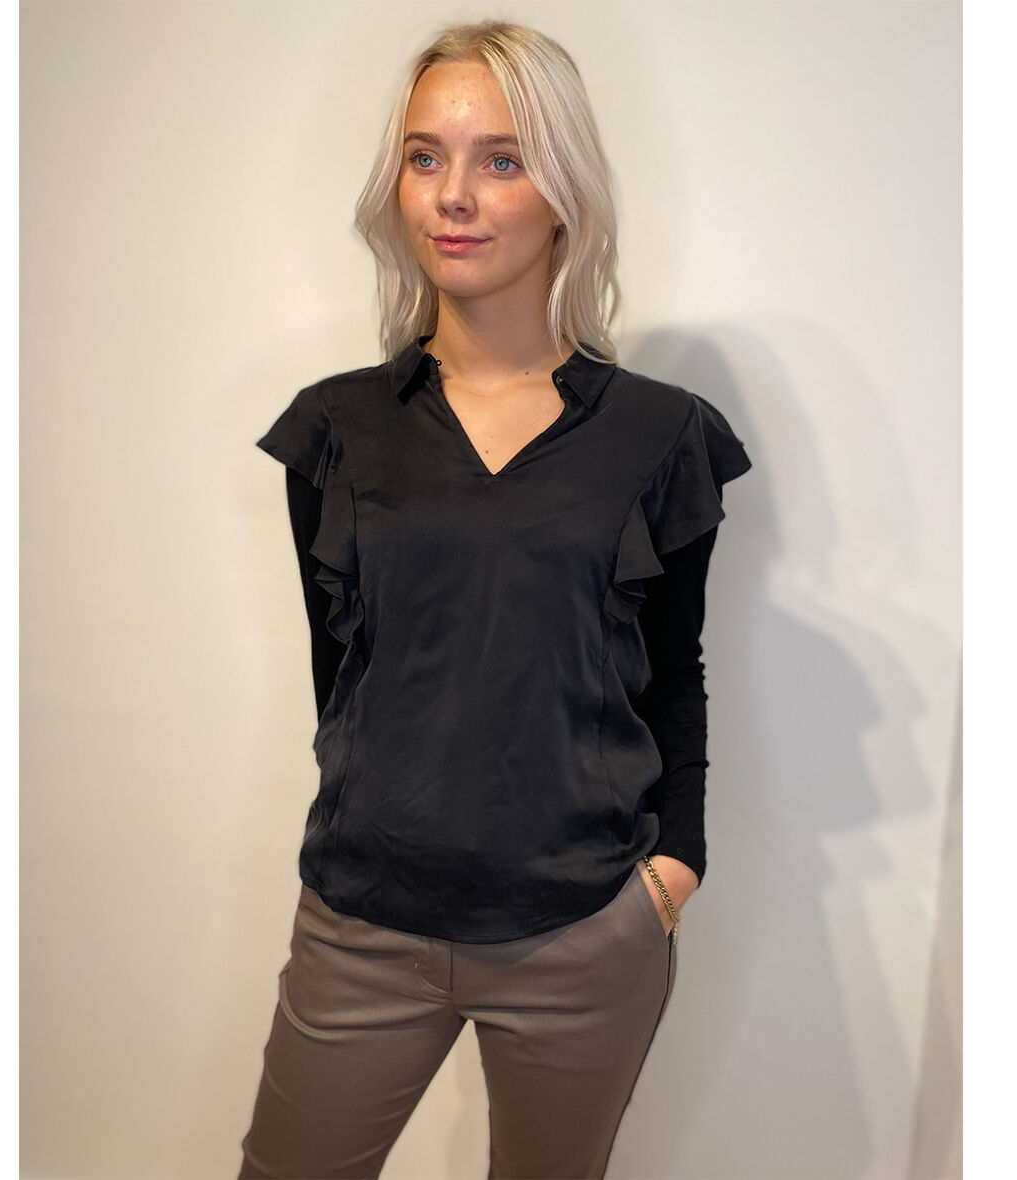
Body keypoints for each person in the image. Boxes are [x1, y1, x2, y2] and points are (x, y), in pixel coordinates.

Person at [238, 19, 751, 1180]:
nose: (453, 195)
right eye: (424, 157)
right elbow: (343, 674)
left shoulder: (659, 435)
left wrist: (672, 865)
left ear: (563, 191)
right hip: (362, 922)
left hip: (583, 933)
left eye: (501, 159)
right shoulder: (339, 428)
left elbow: (672, 670)